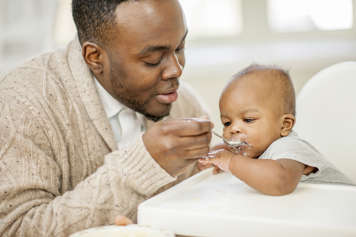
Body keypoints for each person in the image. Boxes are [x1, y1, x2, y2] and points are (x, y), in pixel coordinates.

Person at [0, 0, 213, 236]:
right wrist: (143, 167)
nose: (176, 70)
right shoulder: (24, 105)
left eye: (180, 48)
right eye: (152, 60)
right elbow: (15, 228)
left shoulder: (184, 104)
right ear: (94, 57)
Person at [200, 64, 352, 196]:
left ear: (285, 125)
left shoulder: (290, 147)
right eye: (227, 123)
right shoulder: (257, 149)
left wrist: (231, 162)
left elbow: (281, 182)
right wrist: (222, 158)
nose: (234, 129)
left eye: (248, 120)